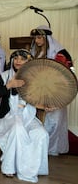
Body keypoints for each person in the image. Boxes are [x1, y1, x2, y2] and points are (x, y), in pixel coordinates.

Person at [0, 49, 49, 182]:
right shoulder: (6, 75)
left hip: (27, 115)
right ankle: (9, 167)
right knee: (17, 128)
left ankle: (36, 167)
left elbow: (36, 101)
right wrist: (9, 85)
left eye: (22, 59)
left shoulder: (34, 79)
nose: (18, 61)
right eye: (16, 58)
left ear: (28, 62)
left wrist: (46, 107)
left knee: (41, 133)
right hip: (9, 116)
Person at [30, 25, 74, 156]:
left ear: (46, 38)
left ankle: (52, 148)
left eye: (39, 37)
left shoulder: (60, 53)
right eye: (35, 38)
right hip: (39, 88)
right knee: (39, 117)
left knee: (54, 118)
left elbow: (68, 72)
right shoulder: (35, 53)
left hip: (56, 90)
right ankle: (40, 147)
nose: (37, 41)